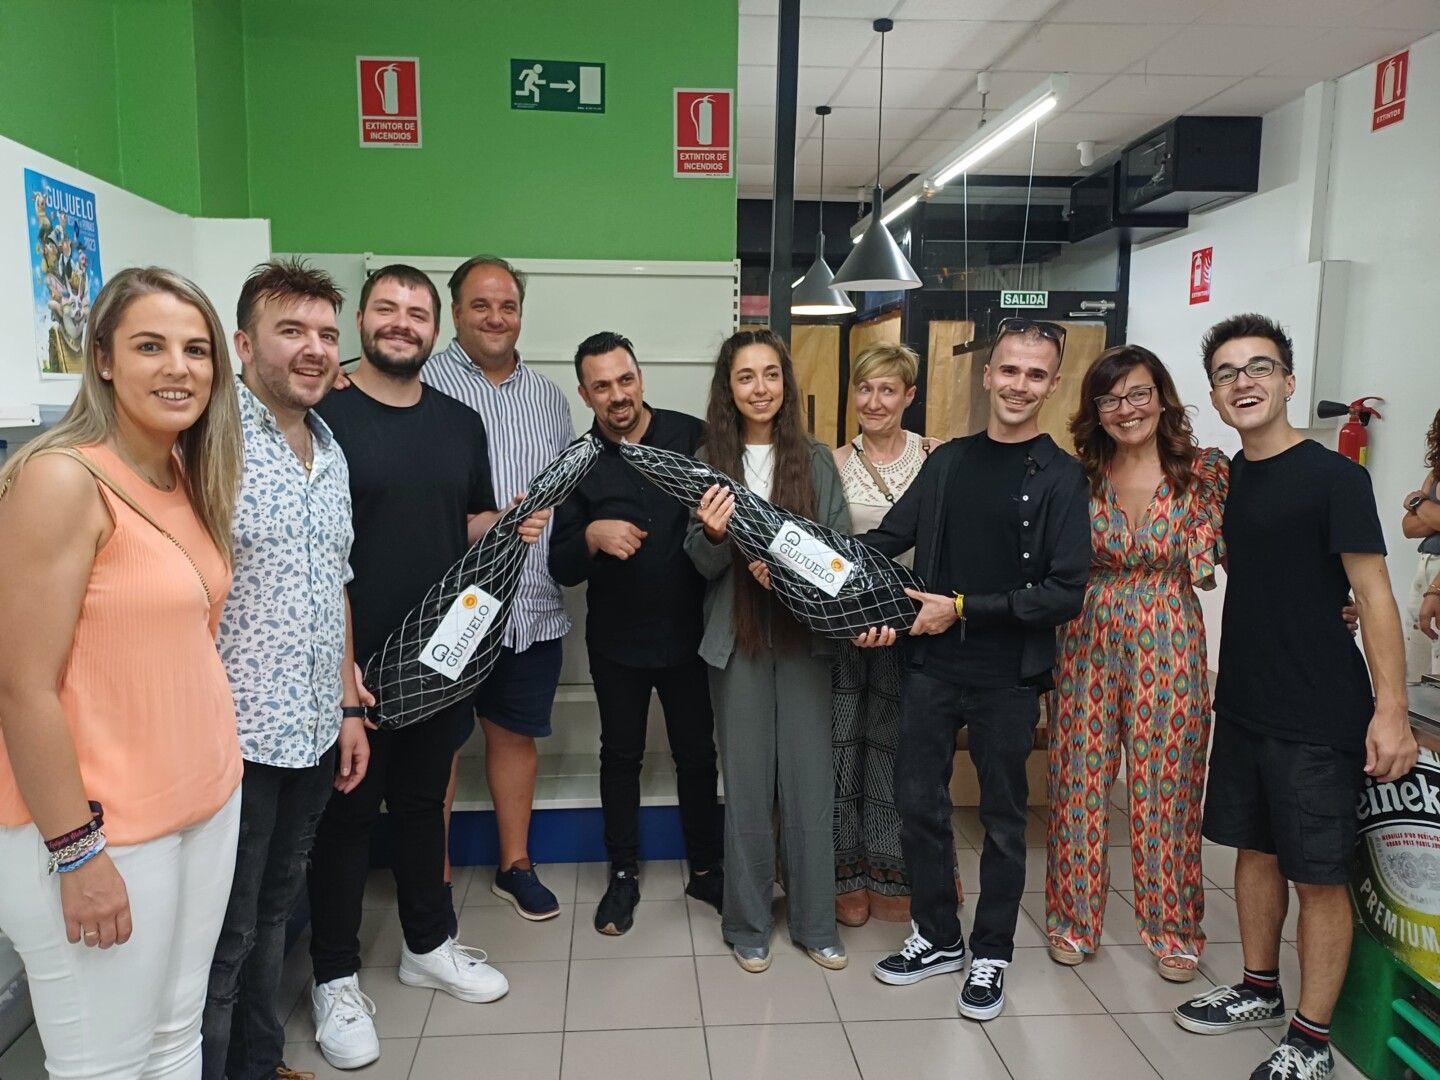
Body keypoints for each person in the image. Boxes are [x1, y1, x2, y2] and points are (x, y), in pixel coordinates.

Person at [0, 267, 244, 1077]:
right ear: (102, 357)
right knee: (102, 1065)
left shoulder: (182, 473)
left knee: (175, 1040)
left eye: (196, 350)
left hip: (200, 802)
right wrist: (76, 852)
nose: (179, 368)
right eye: (151, 346)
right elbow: (20, 686)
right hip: (98, 825)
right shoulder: (59, 478)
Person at [306, 265, 544, 1069]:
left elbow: (467, 518)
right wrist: (342, 676)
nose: (402, 323)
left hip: (438, 663)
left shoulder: (458, 421)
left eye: (416, 313)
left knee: (419, 806)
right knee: (342, 823)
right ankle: (334, 979)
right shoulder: (323, 417)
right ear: (362, 322)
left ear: (434, 330)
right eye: (387, 309)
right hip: (349, 671)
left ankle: (427, 944)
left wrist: (508, 522)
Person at [1173, 313, 1417, 1080]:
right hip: (1244, 700)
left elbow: (1374, 597)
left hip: (1319, 710)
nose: (1244, 381)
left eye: (1260, 367)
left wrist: (1391, 709)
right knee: (1253, 851)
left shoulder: (1335, 479)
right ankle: (1258, 989)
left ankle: (1311, 1039)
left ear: (1288, 381)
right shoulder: (1225, 480)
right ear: (1213, 395)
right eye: (1227, 373)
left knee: (1316, 873)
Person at [854, 317, 1090, 1022]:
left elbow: (1064, 591)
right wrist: (798, 558)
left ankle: (992, 952)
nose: (1019, 385)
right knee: (918, 803)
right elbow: (887, 540)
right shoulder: (948, 460)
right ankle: (936, 935)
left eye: (1035, 374)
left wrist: (960, 606)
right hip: (929, 664)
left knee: (1003, 818)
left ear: (1051, 384)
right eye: (1009, 370)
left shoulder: (1061, 475)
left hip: (1007, 677)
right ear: (987, 375)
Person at [201, 260, 373, 1080]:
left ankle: (259, 1065)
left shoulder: (329, 449)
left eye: (326, 334)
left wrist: (347, 705)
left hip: (309, 731)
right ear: (243, 343)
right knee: (225, 935)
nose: (314, 349)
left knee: (275, 912)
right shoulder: (208, 439)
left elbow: (334, 581)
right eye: (291, 331)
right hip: (229, 743)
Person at [1044, 345, 1226, 984]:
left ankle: (1173, 928)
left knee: (1167, 788)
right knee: (1078, 784)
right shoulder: (1077, 476)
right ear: (1096, 410)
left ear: (1163, 397)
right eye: (1111, 398)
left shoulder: (1204, 474)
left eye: (1138, 393)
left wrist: (1330, 603)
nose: (1127, 409)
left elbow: (1255, 557)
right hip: (1085, 633)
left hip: (1171, 636)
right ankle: (1072, 919)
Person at [686, 328, 851, 974]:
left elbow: (837, 557)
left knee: (810, 785)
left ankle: (816, 922)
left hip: (804, 641)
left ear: (787, 383)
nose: (760, 388)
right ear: (729, 387)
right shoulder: (708, 459)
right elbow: (697, 564)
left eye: (771, 375)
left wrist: (784, 572)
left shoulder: (813, 461)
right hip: (738, 646)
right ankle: (748, 922)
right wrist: (716, 534)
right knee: (749, 788)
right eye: (746, 376)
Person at [549, 331, 724, 935]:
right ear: (585, 393)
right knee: (619, 755)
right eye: (602, 386)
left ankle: (707, 869)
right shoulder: (576, 460)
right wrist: (591, 536)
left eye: (625, 380)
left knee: (697, 756)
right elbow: (559, 564)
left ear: (640, 377)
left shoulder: (692, 436)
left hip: (690, 635)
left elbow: (729, 519)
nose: (617, 395)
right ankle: (622, 875)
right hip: (617, 641)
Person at [423, 256, 576, 921]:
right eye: (480, 304)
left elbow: (567, 495)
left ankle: (515, 865)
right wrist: (472, 524)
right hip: (445, 611)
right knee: (440, 747)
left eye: (507, 305)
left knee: (515, 736)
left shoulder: (549, 397)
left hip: (530, 609)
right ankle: (436, 876)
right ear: (454, 312)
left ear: (521, 313)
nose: (495, 317)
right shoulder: (421, 384)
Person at [829, 342, 945, 927]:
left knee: (899, 752)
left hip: (920, 630)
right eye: (864, 389)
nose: (874, 402)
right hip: (848, 631)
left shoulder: (938, 458)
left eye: (887, 390)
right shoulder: (830, 463)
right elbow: (824, 556)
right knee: (842, 749)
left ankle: (894, 870)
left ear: (909, 396)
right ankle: (843, 875)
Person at [1403, 406, 1440, 683]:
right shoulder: (1436, 474)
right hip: (1424, 568)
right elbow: (1409, 527)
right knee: (1414, 677)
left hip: (1437, 579)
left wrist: (1418, 502)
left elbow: (1418, 515)